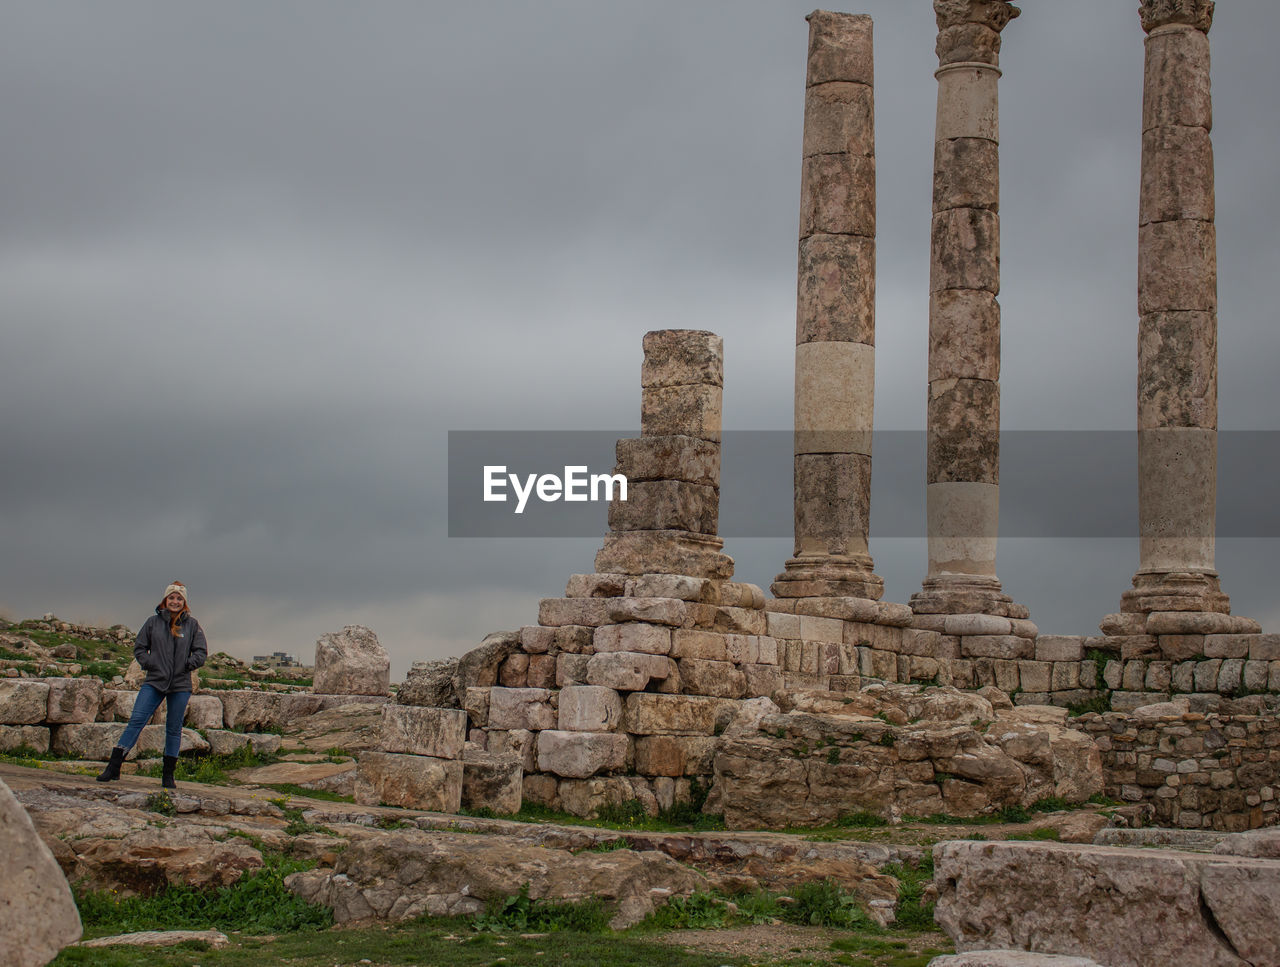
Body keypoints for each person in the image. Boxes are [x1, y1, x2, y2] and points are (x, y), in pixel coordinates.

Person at [96, 581, 208, 787]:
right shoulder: (152, 623)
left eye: (179, 598)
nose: (175, 601)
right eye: (172, 597)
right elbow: (140, 648)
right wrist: (150, 664)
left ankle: (168, 776)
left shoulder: (192, 625)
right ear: (165, 600)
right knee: (137, 720)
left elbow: (201, 652)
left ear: (184, 602)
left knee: (173, 728)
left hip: (180, 684)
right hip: (154, 681)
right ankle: (114, 767)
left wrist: (187, 664)